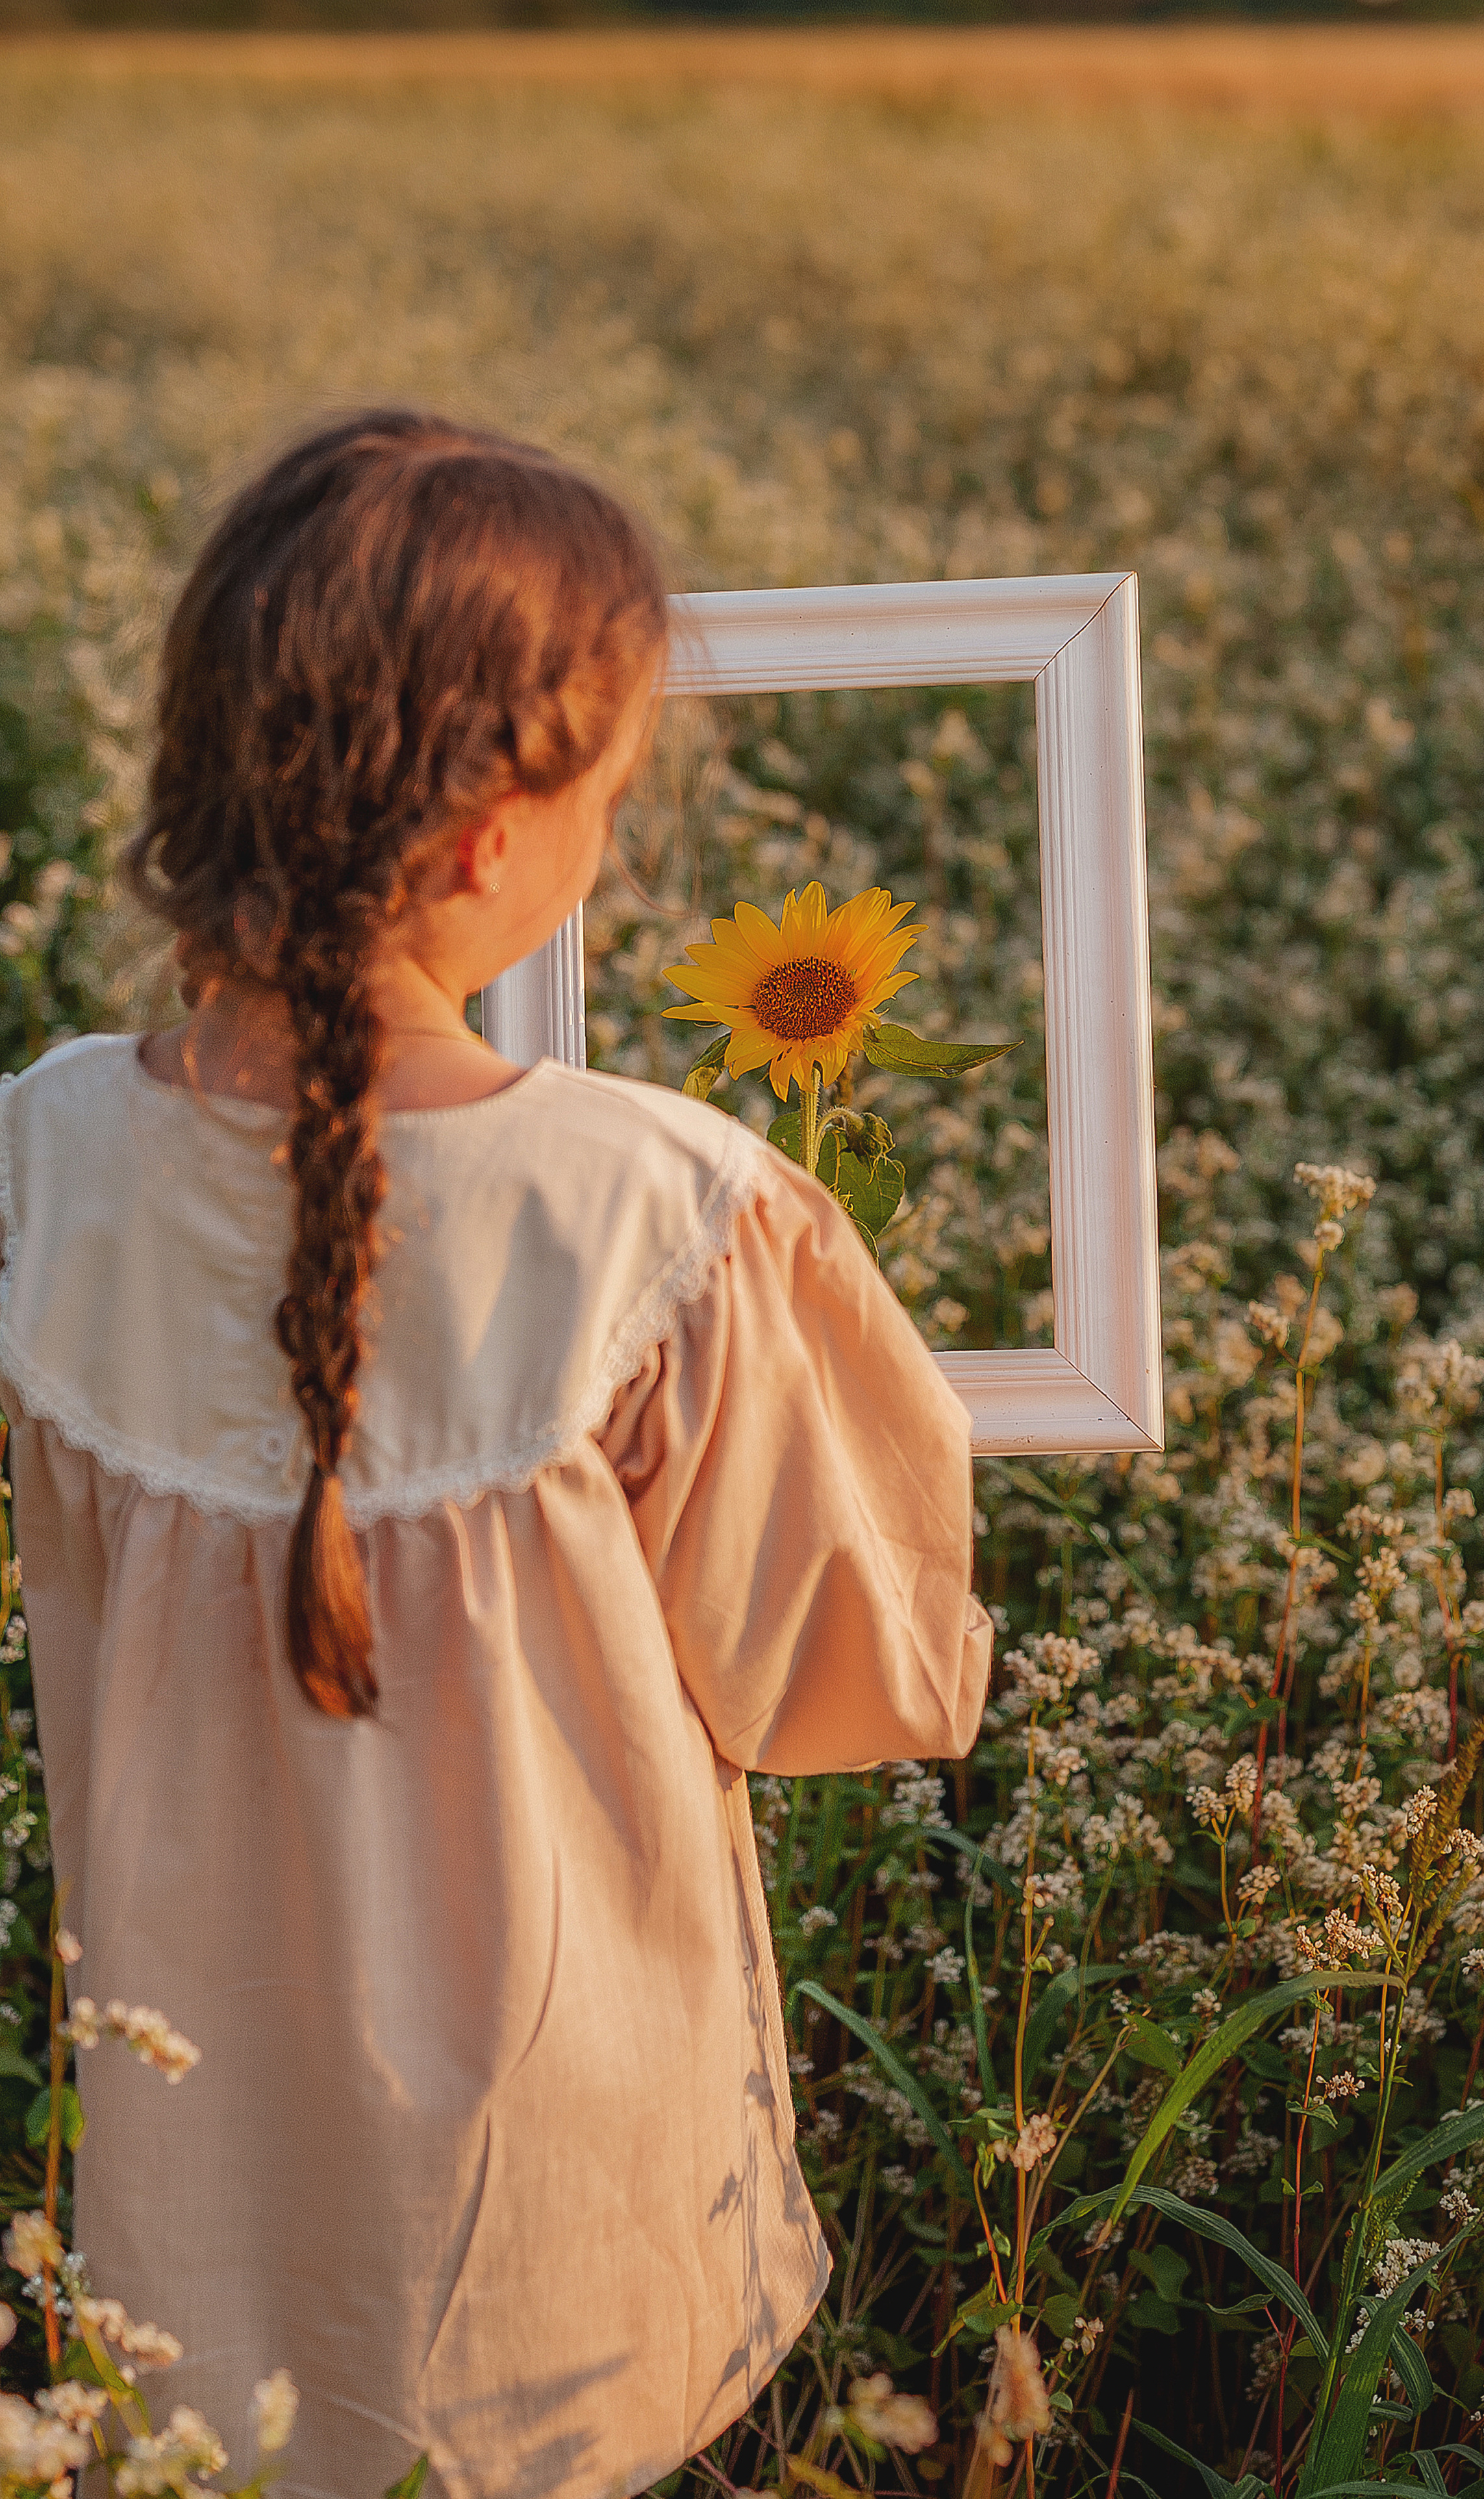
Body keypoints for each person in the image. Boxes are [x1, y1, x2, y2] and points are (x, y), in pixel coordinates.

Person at [0, 412, 990, 2498]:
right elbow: (844, 1688)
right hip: (571, 2239)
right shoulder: (660, 1210)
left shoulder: (41, 1158)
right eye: (608, 801)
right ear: (484, 849)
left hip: (192, 2210)